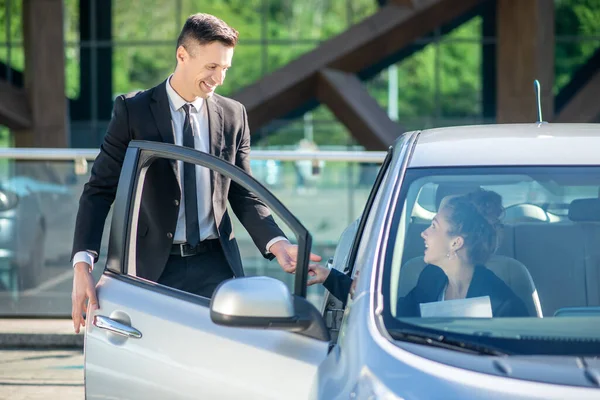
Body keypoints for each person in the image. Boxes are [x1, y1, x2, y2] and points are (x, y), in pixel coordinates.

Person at [71, 13, 320, 333]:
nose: (219, 79)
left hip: (215, 265)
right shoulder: (134, 111)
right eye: (212, 67)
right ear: (182, 56)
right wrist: (82, 265)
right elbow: (99, 190)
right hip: (151, 268)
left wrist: (277, 242)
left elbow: (242, 191)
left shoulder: (233, 115)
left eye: (225, 68)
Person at [309, 189, 529, 317]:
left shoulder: (503, 304)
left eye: (433, 226)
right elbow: (391, 313)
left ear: (456, 242)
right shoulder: (431, 279)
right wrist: (329, 276)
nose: (424, 233)